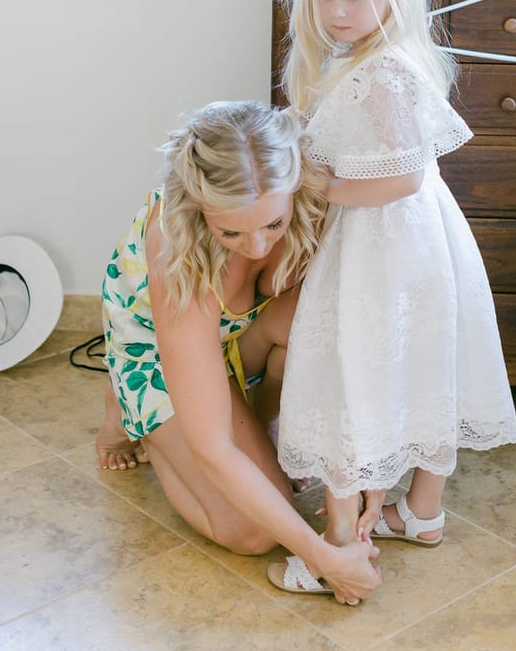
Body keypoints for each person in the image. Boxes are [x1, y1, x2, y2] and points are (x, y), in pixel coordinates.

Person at [269, 0, 516, 596]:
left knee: (352, 371)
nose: (337, 9)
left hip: (382, 246)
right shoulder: (361, 57)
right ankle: (422, 511)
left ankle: (343, 538)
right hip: (416, 247)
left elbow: (403, 177)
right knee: (421, 369)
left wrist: (321, 190)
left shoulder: (381, 71)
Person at [97, 100, 381, 604]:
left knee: (326, 325)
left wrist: (369, 480)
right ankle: (129, 407)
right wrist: (325, 559)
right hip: (159, 355)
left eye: (272, 224)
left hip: (239, 334)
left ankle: (253, 421)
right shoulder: (177, 248)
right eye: (231, 232)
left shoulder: (306, 187)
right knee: (252, 534)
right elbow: (214, 447)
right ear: (198, 206)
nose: (254, 247)